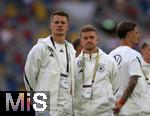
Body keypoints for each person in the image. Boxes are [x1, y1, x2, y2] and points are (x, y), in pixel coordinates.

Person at [23, 11, 76, 116]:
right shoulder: (40, 48)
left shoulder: (72, 51)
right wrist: (38, 98)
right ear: (50, 26)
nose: (60, 25)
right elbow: (28, 76)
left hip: (66, 108)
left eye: (63, 22)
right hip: (45, 107)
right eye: (56, 22)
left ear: (68, 27)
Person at [74, 25, 119, 116]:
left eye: (91, 37)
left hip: (104, 113)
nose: (89, 40)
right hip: (81, 113)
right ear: (81, 42)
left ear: (97, 39)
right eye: (85, 38)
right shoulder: (74, 64)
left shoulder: (109, 61)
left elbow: (116, 86)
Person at [109, 20, 149, 115]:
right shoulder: (134, 55)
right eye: (136, 32)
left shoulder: (110, 55)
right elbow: (133, 81)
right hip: (132, 109)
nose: (138, 36)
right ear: (130, 34)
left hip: (115, 109)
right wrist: (121, 103)